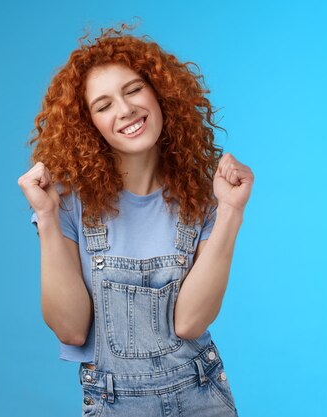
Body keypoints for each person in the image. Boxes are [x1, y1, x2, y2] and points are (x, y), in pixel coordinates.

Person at [18, 23, 253, 416]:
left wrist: (231, 210)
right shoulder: (67, 204)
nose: (125, 110)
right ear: (87, 123)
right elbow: (70, 328)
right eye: (103, 105)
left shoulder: (204, 197)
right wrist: (46, 218)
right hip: (113, 403)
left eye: (133, 90)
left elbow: (190, 324)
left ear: (161, 94)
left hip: (200, 396)